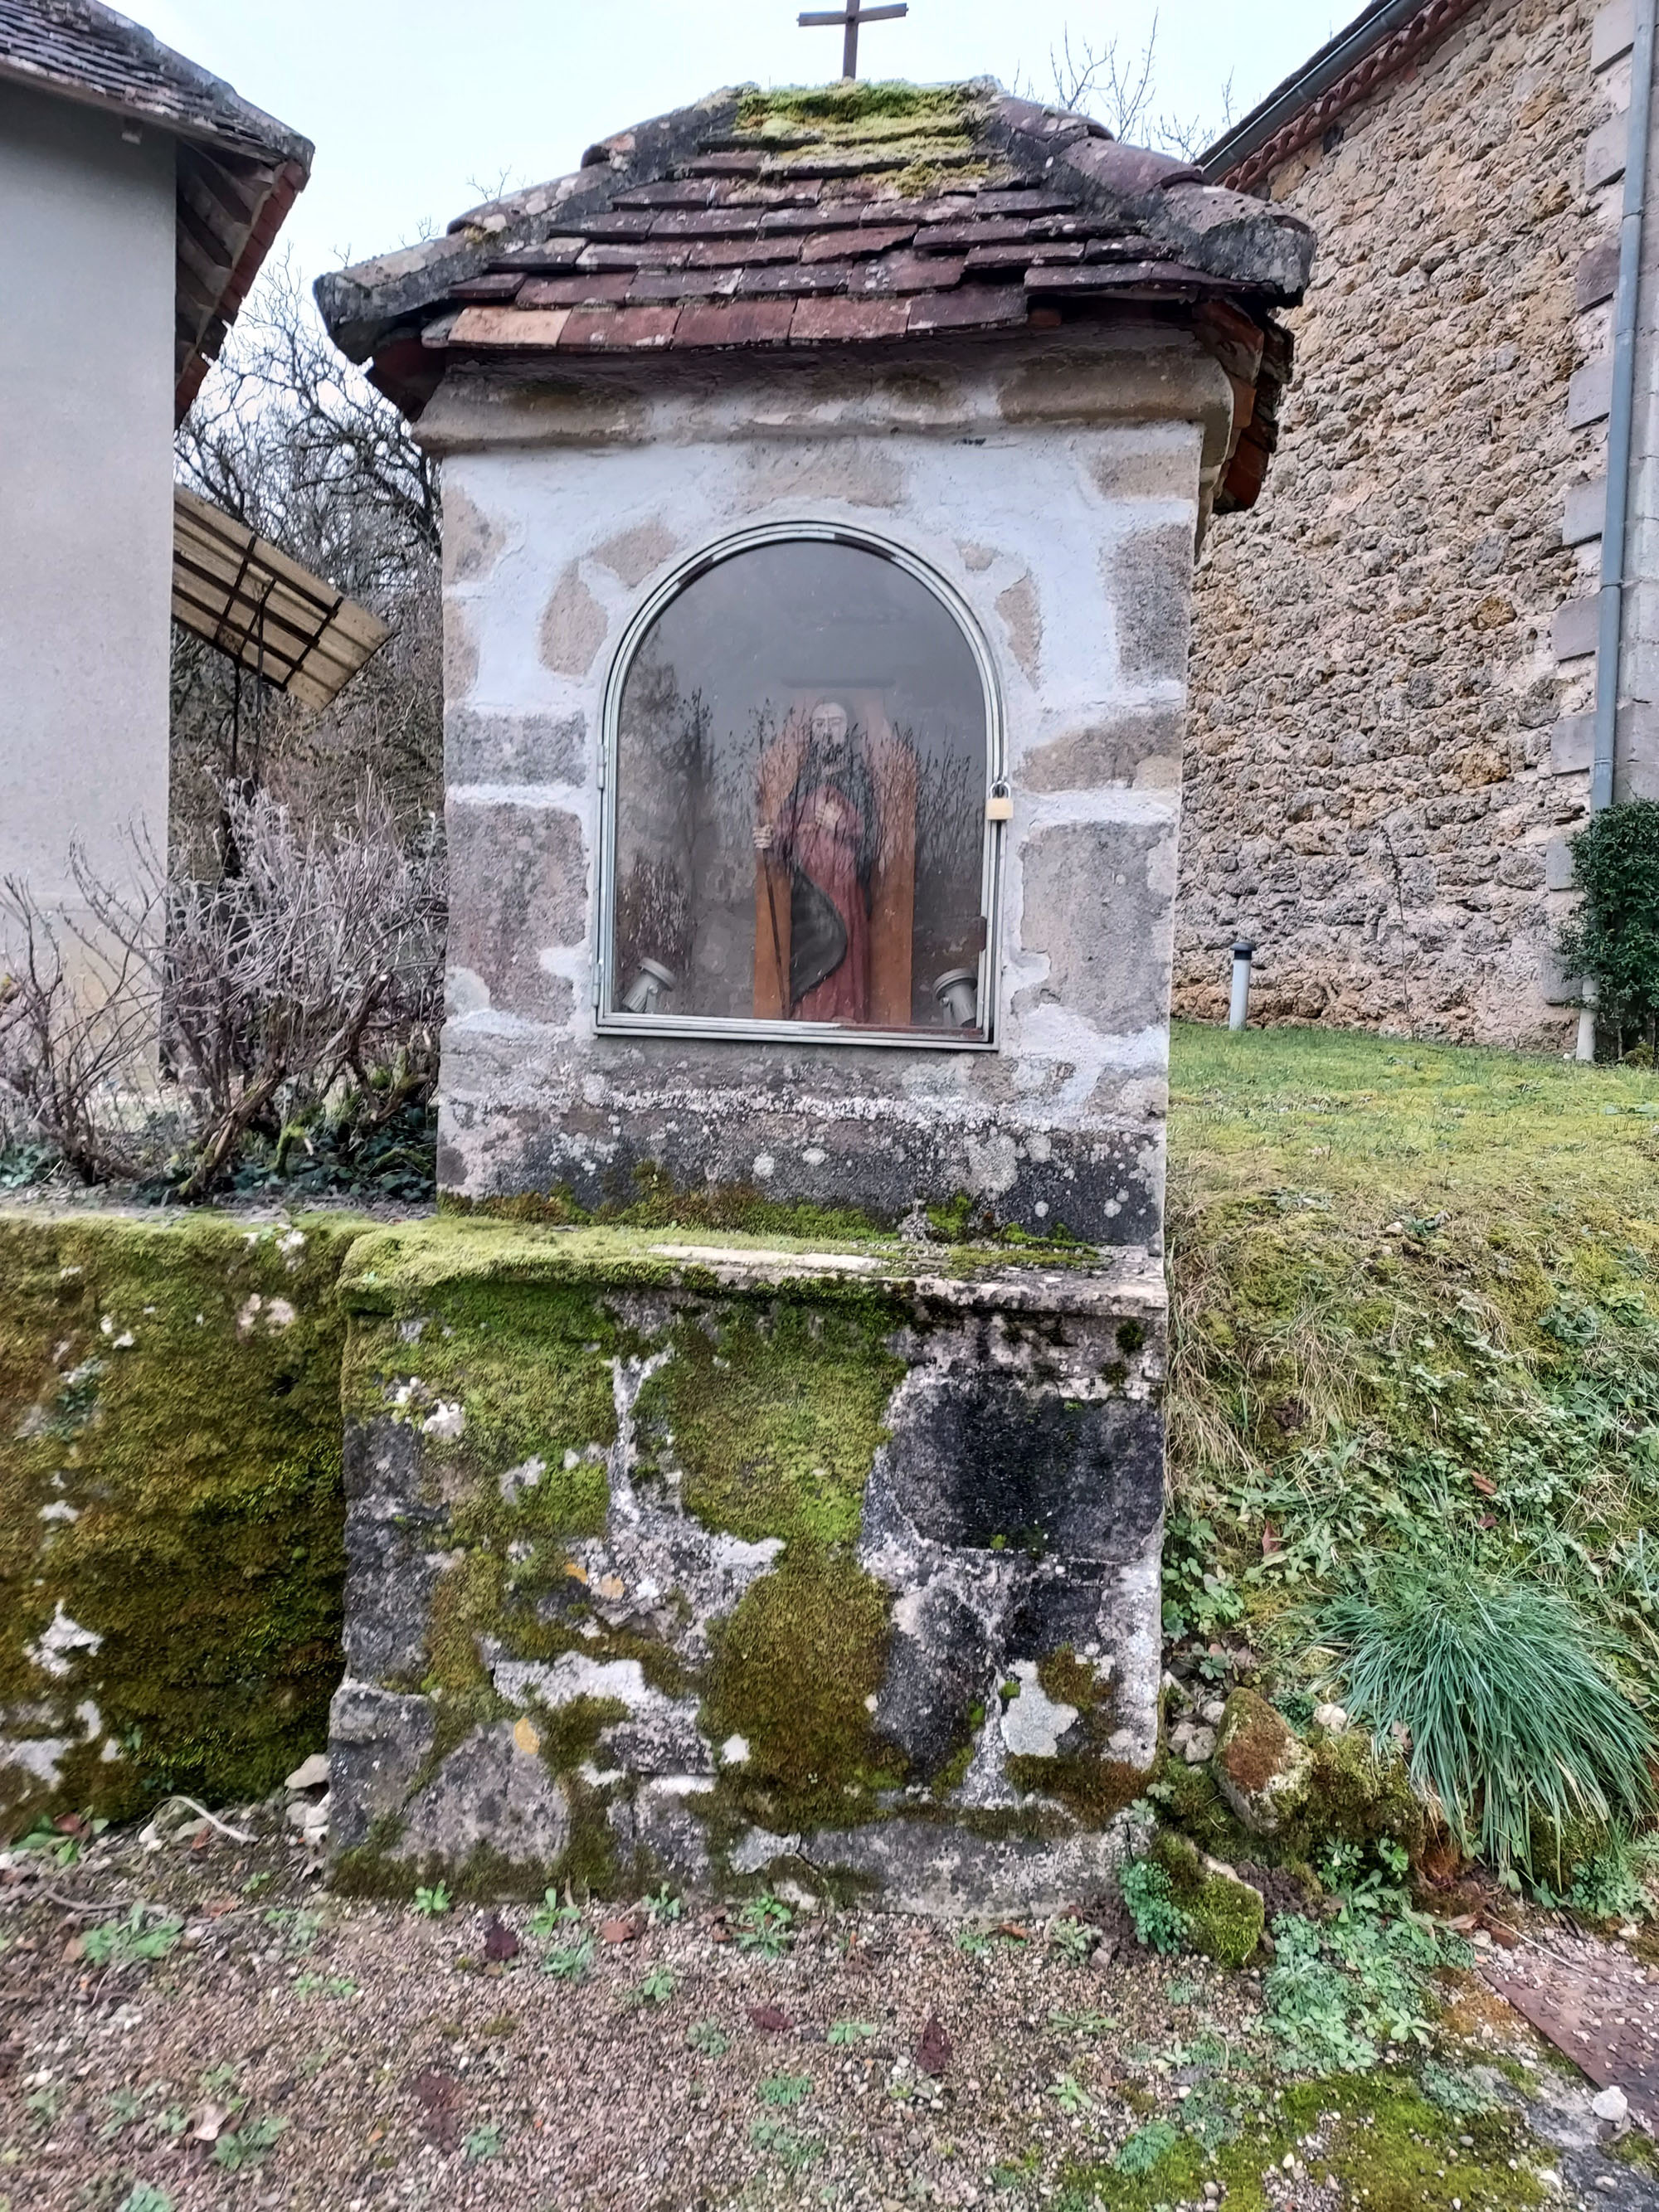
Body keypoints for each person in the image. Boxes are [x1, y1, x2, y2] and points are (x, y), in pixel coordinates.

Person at [755, 700, 877, 1020]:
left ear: (847, 732)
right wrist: (771, 839)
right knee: (811, 955)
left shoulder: (858, 780)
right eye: (820, 724)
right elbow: (787, 827)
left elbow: (876, 841)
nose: (827, 731)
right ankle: (808, 1017)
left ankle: (843, 1016)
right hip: (807, 890)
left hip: (844, 890)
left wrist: (842, 824)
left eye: (834, 723)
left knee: (842, 949)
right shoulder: (805, 781)